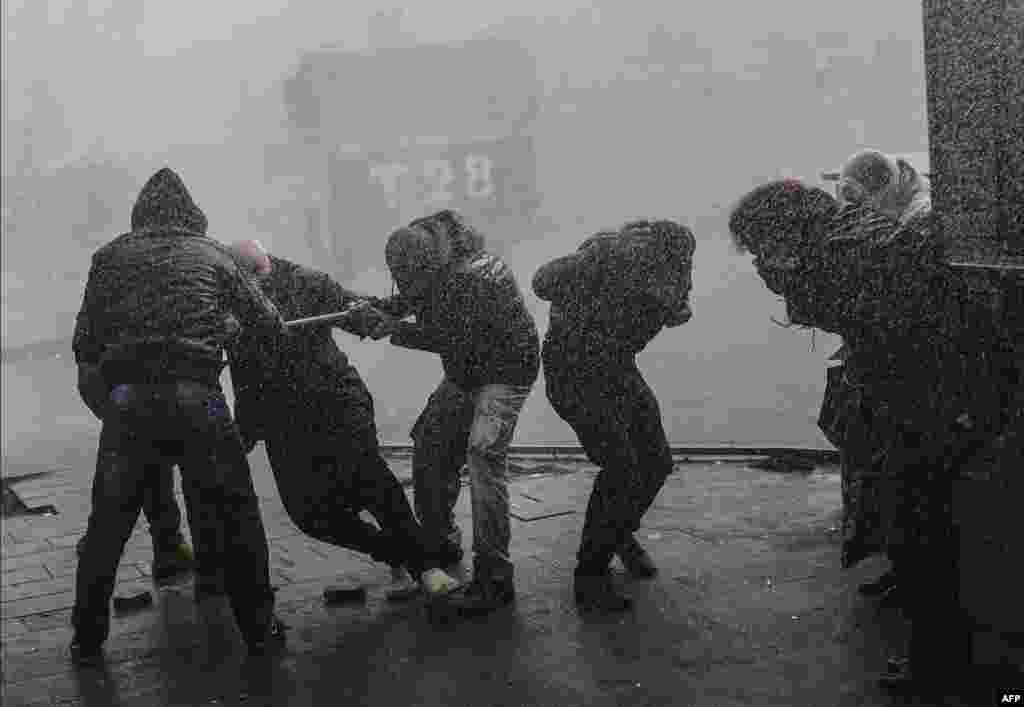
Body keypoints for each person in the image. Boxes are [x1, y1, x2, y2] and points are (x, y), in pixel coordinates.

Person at [728, 179, 1012, 695]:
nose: (761, 257)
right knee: (929, 528)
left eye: (760, 246)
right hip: (953, 394)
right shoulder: (863, 232)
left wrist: (778, 274)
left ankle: (940, 670)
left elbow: (816, 311)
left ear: (780, 230)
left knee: (918, 533)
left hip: (926, 403)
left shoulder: (845, 254)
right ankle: (942, 652)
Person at [70, 168, 288, 667]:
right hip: (201, 398)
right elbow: (269, 327)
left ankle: (86, 638)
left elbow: (85, 343)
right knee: (239, 516)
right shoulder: (212, 253)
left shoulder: (107, 258)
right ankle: (258, 627)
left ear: (140, 215)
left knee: (107, 526)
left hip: (129, 402)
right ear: (191, 213)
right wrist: (222, 325)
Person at [224, 240, 462, 602]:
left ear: (264, 267)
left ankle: (426, 566)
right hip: (282, 420)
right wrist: (244, 432)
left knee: (372, 483)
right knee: (309, 514)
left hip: (336, 400)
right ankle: (405, 551)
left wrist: (392, 308)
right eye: (246, 284)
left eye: (257, 280)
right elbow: (244, 375)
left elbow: (361, 313)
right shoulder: (227, 300)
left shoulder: (307, 282)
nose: (254, 290)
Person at [371, 210, 539, 617]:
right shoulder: (437, 258)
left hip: (503, 372)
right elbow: (423, 297)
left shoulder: (471, 276)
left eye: (410, 276)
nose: (407, 284)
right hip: (469, 371)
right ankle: (442, 540)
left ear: (430, 261)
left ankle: (494, 577)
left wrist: (388, 327)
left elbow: (448, 337)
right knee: (430, 441)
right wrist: (381, 308)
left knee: (483, 460)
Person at [532, 220, 695, 613]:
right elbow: (542, 282)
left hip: (618, 366)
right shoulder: (605, 255)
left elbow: (675, 309)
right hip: (571, 370)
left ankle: (618, 533)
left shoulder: (673, 263)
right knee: (621, 469)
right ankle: (589, 576)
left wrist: (670, 302)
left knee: (657, 462)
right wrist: (597, 265)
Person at [827, 151, 933, 602]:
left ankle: (915, 579)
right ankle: (902, 566)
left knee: (909, 479)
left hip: (919, 371)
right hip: (901, 364)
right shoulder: (902, 212)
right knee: (893, 475)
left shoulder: (922, 220)